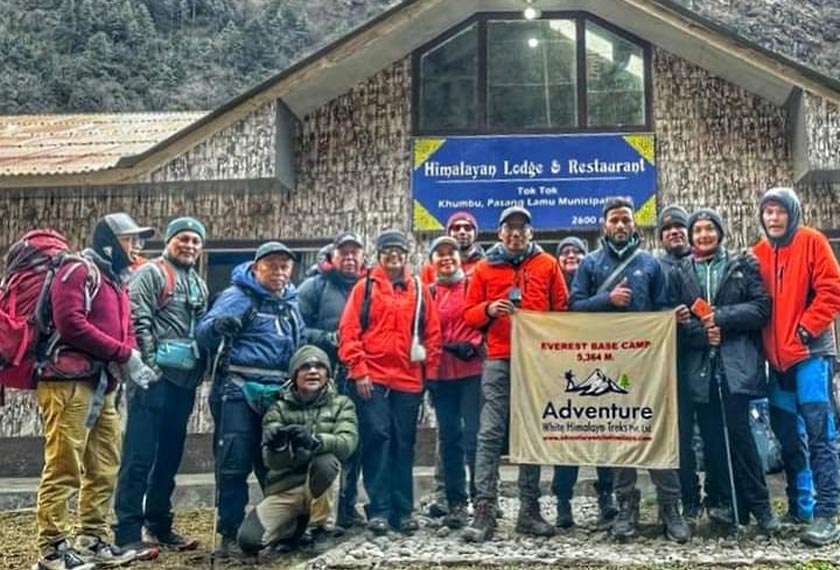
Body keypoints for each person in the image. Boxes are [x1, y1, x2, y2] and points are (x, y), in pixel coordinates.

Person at [33, 213, 157, 570]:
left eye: (138, 239)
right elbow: (71, 324)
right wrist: (124, 354)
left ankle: (92, 538)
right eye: (129, 239)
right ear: (108, 240)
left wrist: (130, 355)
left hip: (103, 384)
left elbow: (126, 327)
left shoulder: (116, 280)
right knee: (64, 463)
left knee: (104, 464)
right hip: (68, 382)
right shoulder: (77, 270)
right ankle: (53, 548)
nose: (136, 246)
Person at [570, 197, 690, 543]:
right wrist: (607, 300)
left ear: (634, 224)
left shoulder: (651, 264)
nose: (620, 226)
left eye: (626, 220)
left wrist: (674, 317)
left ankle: (671, 507)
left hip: (649, 365)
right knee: (621, 434)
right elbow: (575, 306)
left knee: (656, 433)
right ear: (604, 225)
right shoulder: (590, 264)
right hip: (607, 365)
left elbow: (664, 307)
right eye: (614, 220)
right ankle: (626, 506)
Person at [461, 206, 568, 543]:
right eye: (510, 229)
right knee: (490, 433)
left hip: (537, 361)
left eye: (522, 229)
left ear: (530, 234)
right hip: (499, 358)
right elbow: (469, 314)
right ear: (501, 233)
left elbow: (562, 310)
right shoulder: (483, 268)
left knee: (531, 432)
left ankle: (529, 509)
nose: (516, 234)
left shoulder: (548, 264)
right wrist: (490, 309)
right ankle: (484, 508)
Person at [669, 208, 780, 532]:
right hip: (700, 367)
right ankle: (726, 506)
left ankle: (761, 507)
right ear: (691, 237)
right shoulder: (681, 272)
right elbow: (676, 320)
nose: (703, 235)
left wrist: (721, 318)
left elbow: (760, 308)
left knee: (741, 437)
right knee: (714, 441)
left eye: (709, 229)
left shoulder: (741, 265)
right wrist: (704, 334)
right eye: (698, 230)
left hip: (735, 365)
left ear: (719, 232)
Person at [197, 241, 305, 558]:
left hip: (278, 395)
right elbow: (203, 333)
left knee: (275, 466)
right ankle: (229, 534)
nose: (279, 271)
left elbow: (299, 343)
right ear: (256, 267)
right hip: (237, 392)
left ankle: (276, 531)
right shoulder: (237, 297)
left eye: (284, 266)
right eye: (271, 264)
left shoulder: (290, 304)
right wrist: (217, 325)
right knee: (234, 465)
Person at [113, 217, 209, 554]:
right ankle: (126, 532)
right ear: (169, 241)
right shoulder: (151, 273)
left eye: (196, 241)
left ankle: (159, 524)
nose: (190, 246)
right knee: (139, 457)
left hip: (184, 382)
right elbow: (138, 321)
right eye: (183, 238)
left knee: (169, 457)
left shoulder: (197, 282)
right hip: (152, 381)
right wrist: (150, 369)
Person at [338, 229, 442, 534]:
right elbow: (348, 331)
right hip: (374, 378)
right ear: (379, 255)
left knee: (403, 443)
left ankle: (403, 510)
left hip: (409, 380)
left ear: (407, 256)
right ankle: (379, 510)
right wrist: (359, 369)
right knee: (378, 440)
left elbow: (433, 334)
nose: (393, 257)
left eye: (399, 251)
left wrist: (430, 375)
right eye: (388, 251)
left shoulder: (419, 289)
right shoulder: (364, 288)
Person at [754, 187, 840, 546]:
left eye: (779, 212)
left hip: (810, 357)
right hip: (776, 363)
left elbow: (832, 289)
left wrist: (805, 329)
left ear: (792, 213)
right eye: (767, 213)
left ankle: (827, 513)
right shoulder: (758, 253)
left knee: (821, 434)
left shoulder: (812, 241)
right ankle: (800, 504)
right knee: (788, 435)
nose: (773, 219)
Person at [236, 345, 358, 555]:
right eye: (305, 367)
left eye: (319, 366)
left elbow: (347, 443)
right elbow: (272, 463)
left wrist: (315, 440)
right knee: (249, 541)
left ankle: (321, 528)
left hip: (321, 487)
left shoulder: (342, 404)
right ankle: (295, 529)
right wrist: (278, 446)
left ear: (327, 374)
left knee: (326, 461)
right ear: (294, 375)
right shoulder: (278, 408)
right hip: (286, 489)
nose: (313, 371)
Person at [298, 231, 366, 533]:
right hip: (323, 377)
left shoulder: (371, 288)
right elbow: (297, 328)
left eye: (355, 253)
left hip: (358, 375)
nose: (350, 259)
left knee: (355, 445)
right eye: (344, 253)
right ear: (332, 256)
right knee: (322, 445)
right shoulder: (314, 286)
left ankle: (347, 510)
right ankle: (315, 518)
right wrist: (326, 339)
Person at [550, 236, 618, 528]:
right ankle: (563, 500)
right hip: (563, 365)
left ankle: (607, 496)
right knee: (567, 432)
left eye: (578, 250)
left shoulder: (594, 281)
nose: (571, 255)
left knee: (604, 428)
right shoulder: (551, 284)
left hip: (598, 361)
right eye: (564, 251)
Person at [420, 212, 485, 517]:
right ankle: (456, 501)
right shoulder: (428, 291)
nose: (446, 259)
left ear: (460, 258)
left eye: (451, 254)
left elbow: (487, 319)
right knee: (449, 438)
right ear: (432, 261)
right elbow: (420, 330)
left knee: (474, 436)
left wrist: (475, 346)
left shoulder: (474, 283)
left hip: (471, 371)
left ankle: (483, 498)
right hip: (441, 374)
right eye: (440, 255)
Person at [654, 204, 716, 520]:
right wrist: (668, 318)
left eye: (680, 227)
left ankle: (717, 498)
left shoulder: (706, 264)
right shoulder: (654, 267)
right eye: (667, 229)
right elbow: (650, 311)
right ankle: (689, 498)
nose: (674, 232)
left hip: (707, 357)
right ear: (660, 236)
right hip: (670, 362)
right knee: (679, 434)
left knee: (712, 430)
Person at [421, 211, 485, 284]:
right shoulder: (431, 267)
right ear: (449, 232)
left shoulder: (485, 265)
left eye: (468, 227)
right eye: (456, 228)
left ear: (475, 232)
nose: (462, 232)